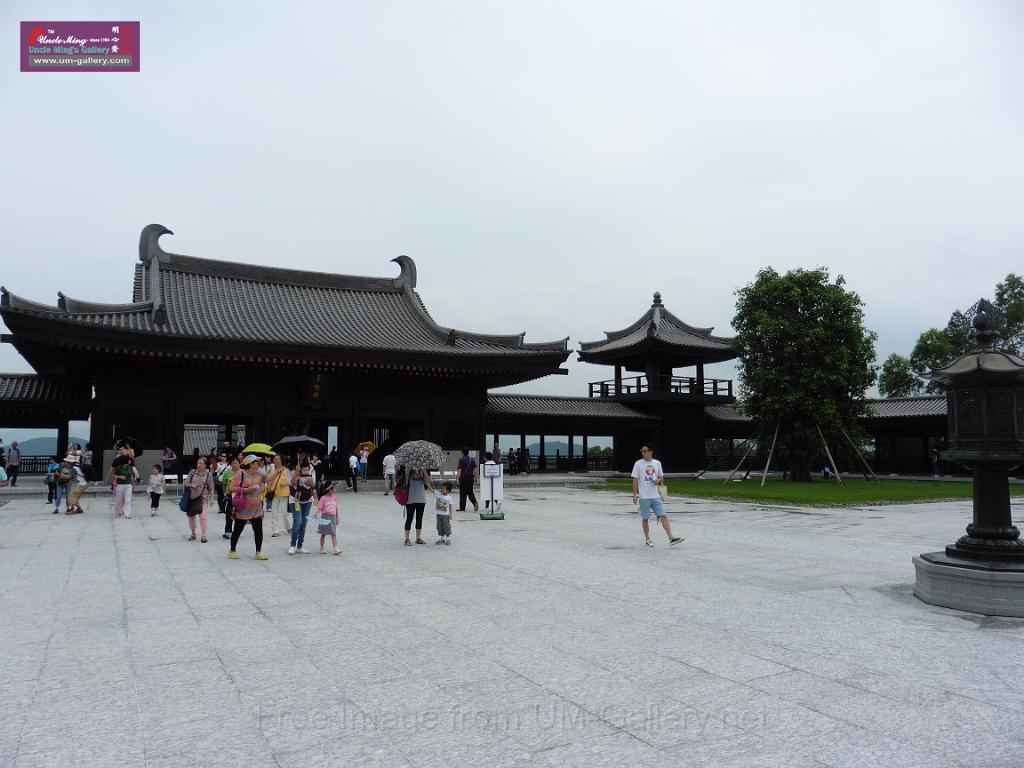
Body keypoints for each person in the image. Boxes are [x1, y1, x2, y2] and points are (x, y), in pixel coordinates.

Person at [631, 443, 683, 547]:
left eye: (645, 451)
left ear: (651, 451)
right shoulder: (638, 464)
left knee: (663, 515)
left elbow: (661, 478)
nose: (643, 452)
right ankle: (648, 539)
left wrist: (657, 481)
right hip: (644, 496)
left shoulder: (657, 463)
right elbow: (635, 480)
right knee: (645, 518)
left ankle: (671, 538)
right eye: (642, 450)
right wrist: (635, 494)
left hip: (655, 496)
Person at [229, 455, 267, 559]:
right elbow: (231, 488)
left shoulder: (259, 474)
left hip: (256, 507)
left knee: (258, 530)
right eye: (256, 462)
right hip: (243, 507)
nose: (258, 464)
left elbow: (267, 480)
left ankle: (258, 552)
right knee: (237, 530)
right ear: (250, 464)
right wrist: (246, 490)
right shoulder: (240, 474)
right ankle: (232, 550)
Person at [184, 457, 215, 542]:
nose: (199, 465)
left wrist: (212, 499)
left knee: (203, 517)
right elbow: (185, 483)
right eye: (198, 463)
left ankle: (203, 535)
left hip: (203, 499)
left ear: (205, 465)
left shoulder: (208, 474)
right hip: (192, 499)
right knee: (191, 517)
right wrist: (191, 485)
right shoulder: (193, 472)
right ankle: (193, 533)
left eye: (201, 463)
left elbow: (211, 487)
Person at [289, 459, 316, 555]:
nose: (301, 456)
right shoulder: (294, 471)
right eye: (300, 455)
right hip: (295, 501)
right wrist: (296, 473)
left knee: (304, 523)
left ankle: (300, 546)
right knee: (298, 522)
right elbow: (291, 483)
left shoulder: (311, 470)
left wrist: (311, 483)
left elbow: (314, 484)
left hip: (307, 501)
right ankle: (293, 545)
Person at [107, 445, 138, 519]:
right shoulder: (117, 462)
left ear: (126, 450)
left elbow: (132, 473)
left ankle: (127, 513)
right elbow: (112, 471)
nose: (121, 450)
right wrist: (108, 479)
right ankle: (118, 511)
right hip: (119, 484)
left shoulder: (130, 462)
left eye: (122, 449)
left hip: (128, 484)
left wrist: (134, 483)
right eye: (120, 449)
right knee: (119, 498)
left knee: (127, 499)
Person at [265, 455, 292, 538]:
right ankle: (275, 530)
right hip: (274, 494)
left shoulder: (286, 470)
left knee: (285, 512)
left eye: (277, 459)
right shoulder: (272, 470)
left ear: (281, 460)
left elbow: (291, 481)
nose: (275, 460)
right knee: (274, 512)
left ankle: (288, 527)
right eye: (274, 459)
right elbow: (268, 479)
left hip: (284, 493)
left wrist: (285, 483)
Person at [403, 467, 431, 546]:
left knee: (419, 518)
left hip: (421, 498)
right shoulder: (408, 469)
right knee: (409, 518)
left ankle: (418, 538)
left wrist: (423, 470)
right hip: (410, 498)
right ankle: (407, 538)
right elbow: (406, 478)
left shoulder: (422, 469)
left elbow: (427, 480)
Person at [316, 481, 341, 555]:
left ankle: (335, 548)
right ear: (330, 489)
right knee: (323, 534)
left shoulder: (334, 498)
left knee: (333, 533)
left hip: (332, 517)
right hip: (325, 517)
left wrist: (337, 517)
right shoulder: (323, 498)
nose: (335, 489)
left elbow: (336, 508)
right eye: (334, 488)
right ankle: (322, 547)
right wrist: (315, 514)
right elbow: (319, 508)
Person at [221, 457, 240, 539]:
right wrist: (225, 493)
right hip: (230, 495)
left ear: (239, 464)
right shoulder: (227, 473)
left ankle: (237, 531)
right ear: (230, 464)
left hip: (240, 496)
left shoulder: (242, 473)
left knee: (239, 515)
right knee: (229, 513)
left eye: (236, 463)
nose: (235, 464)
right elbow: (223, 484)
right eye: (233, 463)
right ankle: (228, 531)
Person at [455, 447, 479, 512]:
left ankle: (462, 508)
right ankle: (475, 503)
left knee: (463, 493)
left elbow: (459, 470)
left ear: (462, 452)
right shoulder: (472, 459)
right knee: (470, 492)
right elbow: (475, 469)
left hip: (463, 478)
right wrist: (476, 478)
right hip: (470, 478)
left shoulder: (461, 460)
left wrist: (457, 479)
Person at [434, 480, 454, 545]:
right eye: (441, 488)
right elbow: (431, 490)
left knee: (446, 526)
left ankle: (448, 538)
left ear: (447, 490)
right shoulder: (438, 494)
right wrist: (427, 482)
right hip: (438, 515)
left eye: (443, 488)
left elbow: (450, 506)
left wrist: (450, 514)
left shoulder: (449, 498)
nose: (441, 489)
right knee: (439, 526)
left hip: (445, 515)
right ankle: (442, 538)